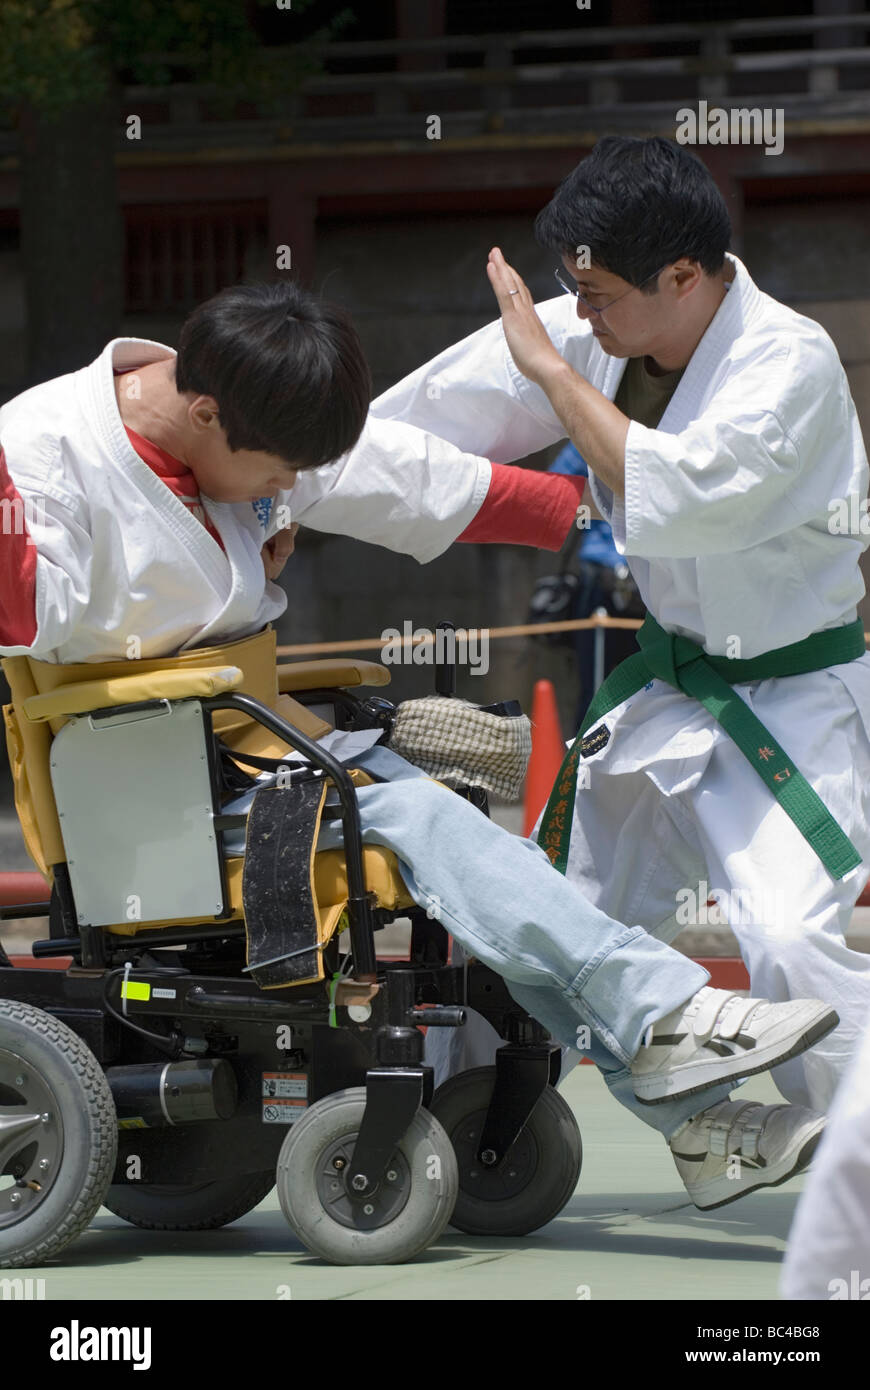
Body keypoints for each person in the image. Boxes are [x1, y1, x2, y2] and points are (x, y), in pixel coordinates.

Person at [0, 278, 837, 1212]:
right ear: (204, 415)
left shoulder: (233, 401)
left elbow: (396, 477)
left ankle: (698, 1114)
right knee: (432, 826)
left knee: (488, 869)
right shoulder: (42, 452)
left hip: (251, 743)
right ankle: (674, 1020)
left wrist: (578, 509)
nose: (287, 498)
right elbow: (38, 610)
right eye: (277, 478)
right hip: (144, 773)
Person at [358, 134, 870, 1200]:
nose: (577, 318)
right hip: (665, 696)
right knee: (550, 920)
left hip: (791, 696)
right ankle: (693, 1126)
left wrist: (550, 375)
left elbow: (679, 494)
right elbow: (424, 419)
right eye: (570, 296)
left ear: (685, 276)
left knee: (787, 939)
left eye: (595, 296)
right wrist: (282, 476)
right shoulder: (599, 319)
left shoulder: (790, 362)